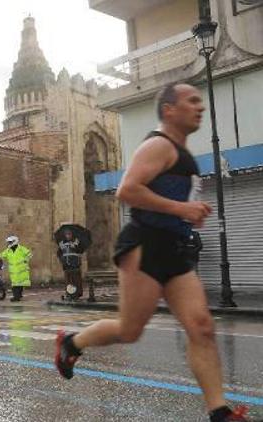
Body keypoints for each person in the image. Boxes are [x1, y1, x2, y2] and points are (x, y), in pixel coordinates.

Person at [54, 83, 257, 422]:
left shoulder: (181, 151)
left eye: (199, 101)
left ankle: (219, 412)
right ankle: (72, 343)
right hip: (144, 246)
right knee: (130, 331)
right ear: (168, 110)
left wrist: (189, 212)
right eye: (191, 101)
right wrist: (181, 208)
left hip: (174, 250)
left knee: (201, 326)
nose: (199, 106)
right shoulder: (158, 145)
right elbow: (127, 190)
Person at [0, 235, 32, 302]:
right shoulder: (8, 250)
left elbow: (29, 254)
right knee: (15, 285)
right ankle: (17, 296)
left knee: (20, 284)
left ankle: (17, 297)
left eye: (10, 242)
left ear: (15, 241)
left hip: (21, 270)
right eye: (8, 242)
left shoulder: (22, 249)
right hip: (14, 271)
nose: (9, 243)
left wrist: (26, 260)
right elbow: (2, 255)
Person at [57, 230, 83, 299]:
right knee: (68, 281)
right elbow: (59, 253)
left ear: (72, 235)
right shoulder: (62, 244)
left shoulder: (76, 242)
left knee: (76, 280)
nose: (68, 236)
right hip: (66, 265)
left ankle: (77, 294)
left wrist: (75, 246)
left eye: (69, 234)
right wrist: (62, 260)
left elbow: (80, 251)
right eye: (67, 234)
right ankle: (69, 293)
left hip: (75, 265)